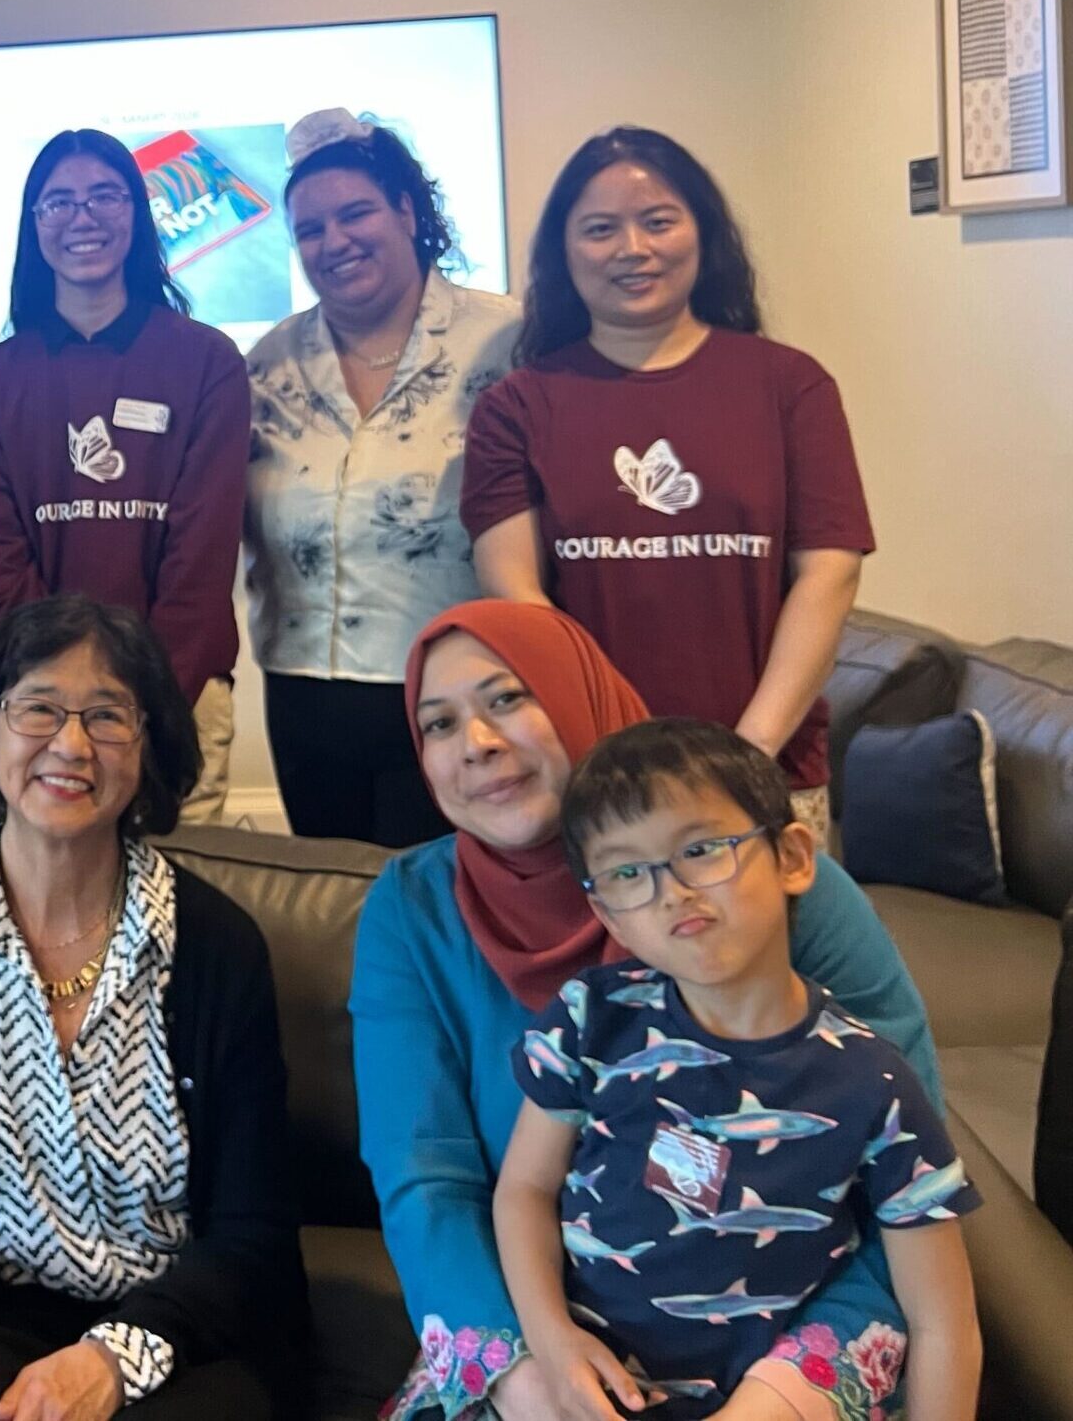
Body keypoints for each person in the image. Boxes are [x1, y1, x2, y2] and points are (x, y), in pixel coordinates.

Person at [354, 599, 942, 1421]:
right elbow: (425, 1175)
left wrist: (785, 1393)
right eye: (439, 723)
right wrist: (526, 1375)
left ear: (577, 694)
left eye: (508, 698)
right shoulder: (410, 911)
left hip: (786, 1355)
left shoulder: (769, 884)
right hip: (542, 1336)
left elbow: (911, 1174)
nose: (477, 742)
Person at [0, 594, 306, 1421]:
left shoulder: (217, 945)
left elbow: (254, 1231)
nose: (71, 743)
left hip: (183, 1336)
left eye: (108, 715)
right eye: (39, 708)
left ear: (148, 751)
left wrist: (114, 1356)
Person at [496, 717, 980, 1421]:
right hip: (585, 1377)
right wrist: (551, 1338)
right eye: (629, 871)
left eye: (700, 848)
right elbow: (525, 1190)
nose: (671, 889)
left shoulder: (873, 1082)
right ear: (608, 913)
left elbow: (943, 1323)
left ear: (791, 857)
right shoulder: (590, 1020)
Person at [462, 128, 871, 835]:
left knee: (777, 951)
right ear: (563, 251)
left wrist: (748, 753)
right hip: (589, 777)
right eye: (600, 229)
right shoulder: (516, 406)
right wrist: (606, 749)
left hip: (769, 772)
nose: (632, 248)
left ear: (702, 235)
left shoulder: (789, 384)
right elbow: (517, 595)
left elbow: (828, 576)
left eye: (657, 221)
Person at [0, 130, 251, 824]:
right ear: (33, 226)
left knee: (181, 909)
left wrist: (137, 698)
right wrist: (62, 697)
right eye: (57, 202)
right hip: (33, 703)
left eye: (104, 196)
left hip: (176, 696)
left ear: (137, 215)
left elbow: (202, 557)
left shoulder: (207, 362)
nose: (81, 218)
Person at [245, 109, 521, 847]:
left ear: (407, 210)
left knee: (451, 908)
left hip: (460, 687)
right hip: (304, 689)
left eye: (355, 213)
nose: (333, 242)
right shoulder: (269, 362)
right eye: (309, 230)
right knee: (341, 911)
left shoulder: (507, 340)